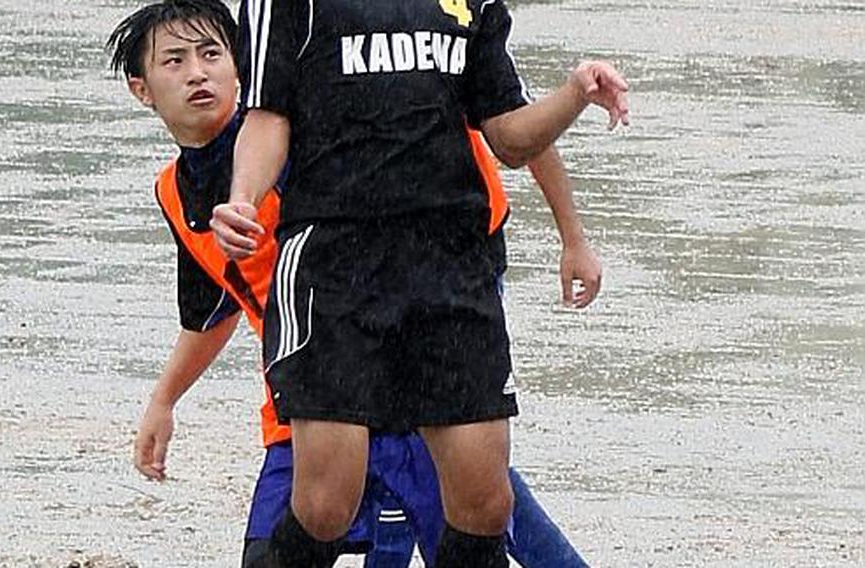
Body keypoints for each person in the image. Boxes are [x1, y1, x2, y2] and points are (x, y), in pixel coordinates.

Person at [109, 1, 602, 566]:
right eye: (175, 60)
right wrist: (164, 400)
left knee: (487, 507)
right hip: (322, 343)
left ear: (242, 66)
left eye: (212, 54)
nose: (198, 72)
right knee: (317, 515)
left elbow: (509, 125)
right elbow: (212, 311)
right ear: (140, 88)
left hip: (443, 279)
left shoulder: (314, 127)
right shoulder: (186, 188)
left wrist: (573, 233)